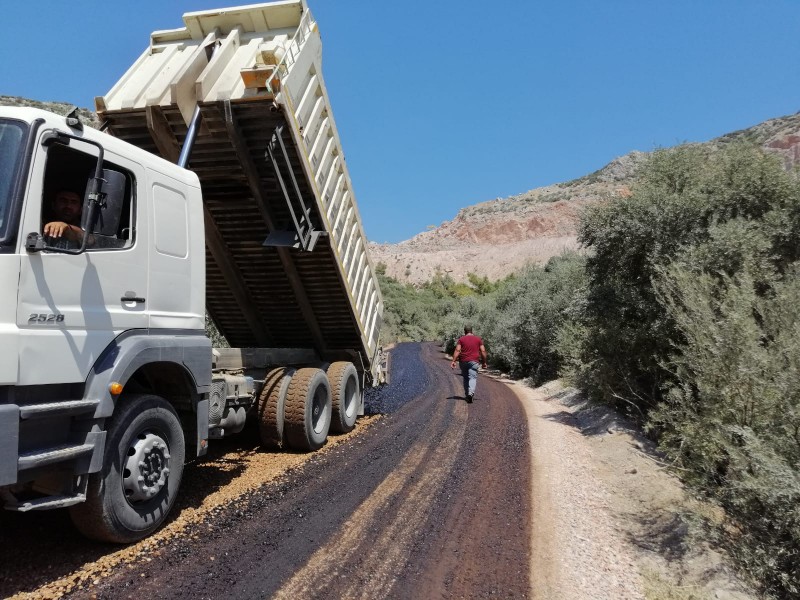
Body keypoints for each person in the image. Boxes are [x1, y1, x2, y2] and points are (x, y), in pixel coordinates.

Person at [450, 325, 488, 403]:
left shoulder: (461, 339)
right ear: (472, 331)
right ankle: (471, 394)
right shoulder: (478, 339)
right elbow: (483, 351)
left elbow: (457, 350)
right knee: (472, 377)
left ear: (465, 331)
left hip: (463, 361)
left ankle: (467, 395)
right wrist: (484, 362)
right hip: (474, 362)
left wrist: (453, 361)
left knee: (466, 378)